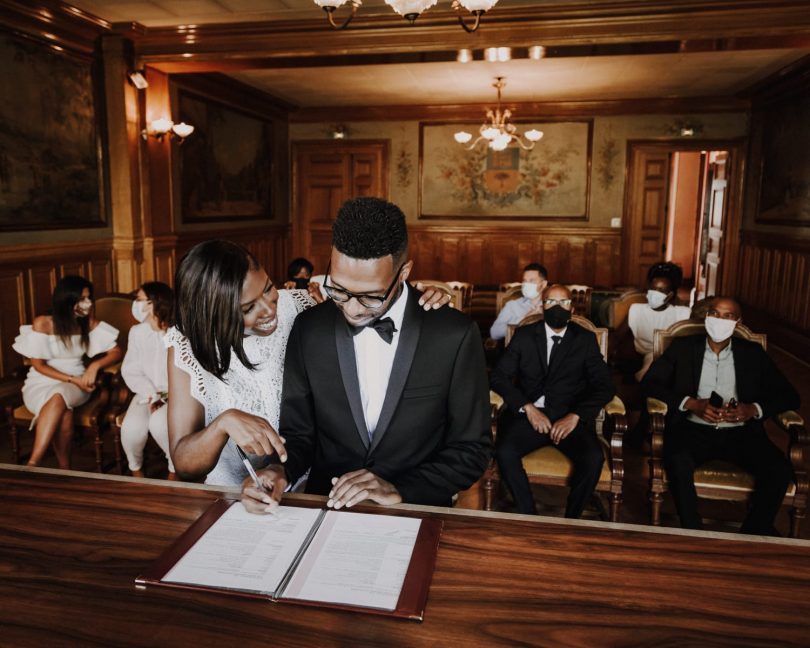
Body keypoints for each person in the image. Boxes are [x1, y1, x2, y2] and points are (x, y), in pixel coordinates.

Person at [242, 196, 491, 513]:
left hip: (417, 511)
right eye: (340, 289)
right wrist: (278, 471)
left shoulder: (453, 335)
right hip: (328, 509)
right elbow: (299, 434)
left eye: (371, 297)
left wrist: (401, 490)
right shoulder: (309, 330)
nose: (352, 309)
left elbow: (472, 449)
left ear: (404, 273)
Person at [166, 239, 452, 487]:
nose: (269, 309)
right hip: (238, 499)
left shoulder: (303, 305)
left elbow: (371, 294)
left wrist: (417, 296)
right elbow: (184, 463)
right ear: (213, 315)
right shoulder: (187, 345)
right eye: (248, 308)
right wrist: (222, 424)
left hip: (317, 485)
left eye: (267, 288)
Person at [642, 296, 799, 535]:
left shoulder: (752, 353)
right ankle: (694, 533)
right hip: (693, 430)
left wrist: (753, 409)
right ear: (706, 317)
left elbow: (789, 396)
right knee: (677, 460)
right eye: (715, 314)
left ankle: (752, 533)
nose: (720, 320)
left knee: (779, 469)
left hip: (741, 434)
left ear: (738, 322)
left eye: (728, 316)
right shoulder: (683, 347)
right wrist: (690, 403)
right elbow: (650, 384)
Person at [490, 284, 615, 518]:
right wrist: (527, 408)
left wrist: (575, 416)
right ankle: (529, 515)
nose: (557, 308)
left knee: (593, 458)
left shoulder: (585, 339)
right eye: (551, 302)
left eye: (563, 303)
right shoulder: (525, 335)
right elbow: (498, 376)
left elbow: (605, 386)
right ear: (542, 305)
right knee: (505, 452)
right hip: (531, 416)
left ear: (572, 307)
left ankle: (571, 519)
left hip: (570, 418)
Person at [12, 275, 122, 469]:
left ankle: (33, 463)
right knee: (65, 413)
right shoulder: (43, 323)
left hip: (77, 384)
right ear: (66, 300)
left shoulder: (88, 322)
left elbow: (116, 351)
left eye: (89, 298)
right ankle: (65, 469)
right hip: (41, 382)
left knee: (59, 396)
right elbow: (39, 366)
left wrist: (94, 366)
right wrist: (72, 380)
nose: (88, 304)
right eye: (82, 299)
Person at [120, 281, 176, 479]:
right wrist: (153, 395)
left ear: (155, 303)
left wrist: (166, 396)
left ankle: (174, 472)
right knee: (131, 429)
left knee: (160, 425)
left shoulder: (178, 332)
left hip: (177, 395)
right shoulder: (137, 332)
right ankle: (137, 473)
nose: (136, 304)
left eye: (140, 300)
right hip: (146, 392)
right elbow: (130, 370)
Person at [627, 261, 691, 380]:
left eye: (661, 291)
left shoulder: (682, 313)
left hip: (671, 357)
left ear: (670, 294)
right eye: (653, 289)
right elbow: (618, 338)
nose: (655, 293)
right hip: (644, 356)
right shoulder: (636, 310)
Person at [490, 263, 548, 341]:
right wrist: (524, 319)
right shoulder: (512, 305)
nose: (527, 284)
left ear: (543, 284)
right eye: (524, 281)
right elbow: (494, 333)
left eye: (532, 281)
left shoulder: (551, 304)